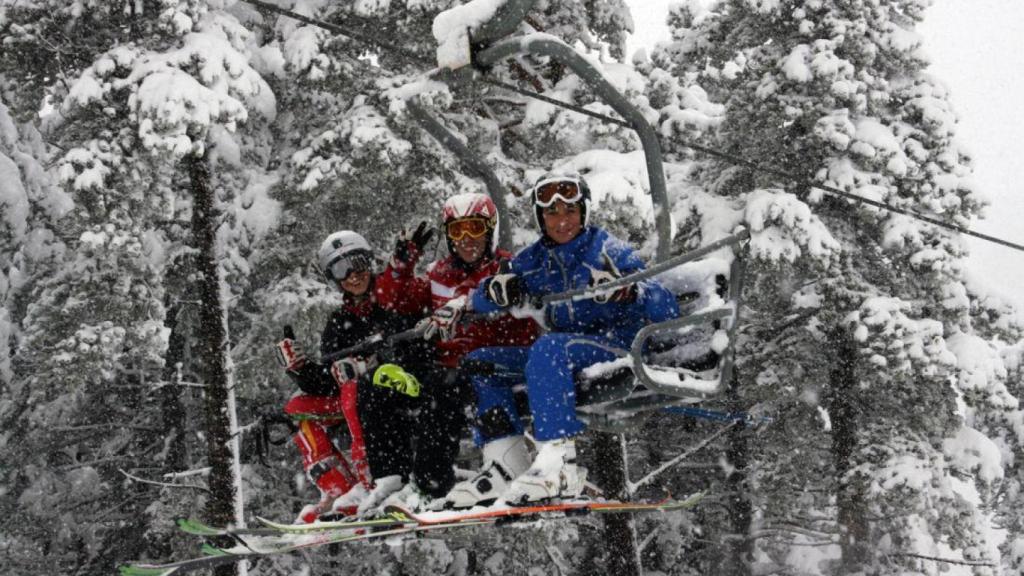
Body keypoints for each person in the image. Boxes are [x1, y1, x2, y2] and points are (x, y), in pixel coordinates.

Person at [443, 173, 680, 507]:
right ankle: (505, 464)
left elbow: (666, 307)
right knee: (482, 361)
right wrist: (494, 292)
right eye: (552, 214)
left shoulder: (607, 249)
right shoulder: (535, 259)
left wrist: (630, 291)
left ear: (583, 212)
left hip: (615, 347)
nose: (562, 221)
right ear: (541, 218)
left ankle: (559, 465)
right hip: (565, 352)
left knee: (549, 348)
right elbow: (490, 290)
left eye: (570, 211)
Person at [362, 192, 539, 510]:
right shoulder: (439, 274)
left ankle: (429, 486)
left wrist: (476, 316)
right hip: (443, 365)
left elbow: (521, 323)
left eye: (475, 229)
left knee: (444, 392)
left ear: (490, 230)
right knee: (377, 385)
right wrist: (401, 268)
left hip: (488, 367)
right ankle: (391, 479)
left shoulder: (505, 269)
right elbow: (393, 302)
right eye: (458, 231)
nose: (467, 240)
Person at [275, 230, 432, 522]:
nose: (352, 275)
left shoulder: (390, 300)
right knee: (297, 410)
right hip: (356, 399)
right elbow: (327, 380)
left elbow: (415, 345)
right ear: (334, 279)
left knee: (353, 389)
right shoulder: (339, 322)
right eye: (340, 269)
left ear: (370, 264)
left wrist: (370, 364)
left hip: (398, 390)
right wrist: (299, 368)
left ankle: (371, 479)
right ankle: (336, 488)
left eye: (358, 264)